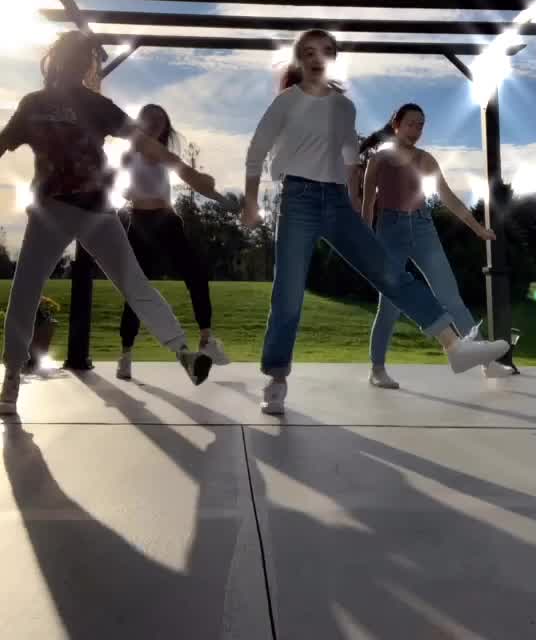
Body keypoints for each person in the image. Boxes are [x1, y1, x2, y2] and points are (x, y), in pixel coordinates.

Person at [241, 28, 508, 416]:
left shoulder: (343, 107)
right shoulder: (287, 101)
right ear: (299, 59)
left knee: (392, 274)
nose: (317, 58)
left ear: (333, 59)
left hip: (336, 202)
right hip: (297, 201)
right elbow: (256, 150)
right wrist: (251, 201)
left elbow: (351, 159)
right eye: (309, 52)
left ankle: (455, 347)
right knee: (288, 293)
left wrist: (354, 204)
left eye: (326, 51)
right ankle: (277, 379)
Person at [0, 31, 219, 415]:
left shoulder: (91, 104)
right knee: (29, 289)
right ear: (66, 60)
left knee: (129, 284)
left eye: (84, 58)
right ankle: (12, 377)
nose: (82, 63)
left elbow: (145, 143)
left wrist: (187, 171)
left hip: (94, 213)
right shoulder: (38, 104)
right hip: (56, 212)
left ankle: (183, 353)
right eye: (80, 56)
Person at [361, 103, 512, 389]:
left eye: (421, 125)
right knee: (389, 305)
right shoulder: (378, 160)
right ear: (396, 125)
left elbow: (448, 198)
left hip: (423, 229)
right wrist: (365, 242)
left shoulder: (426, 159)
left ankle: (486, 363)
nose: (416, 130)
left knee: (451, 297)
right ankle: (377, 369)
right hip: (389, 231)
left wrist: (478, 229)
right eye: (411, 124)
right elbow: (368, 204)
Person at [115, 103, 230, 381]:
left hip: (167, 221)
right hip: (139, 224)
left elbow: (189, 178)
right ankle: (126, 354)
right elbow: (123, 185)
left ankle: (206, 340)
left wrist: (222, 199)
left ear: (165, 126)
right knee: (136, 290)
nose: (156, 122)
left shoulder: (164, 154)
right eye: (150, 118)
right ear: (141, 122)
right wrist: (127, 191)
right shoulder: (130, 154)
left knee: (196, 275)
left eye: (161, 119)